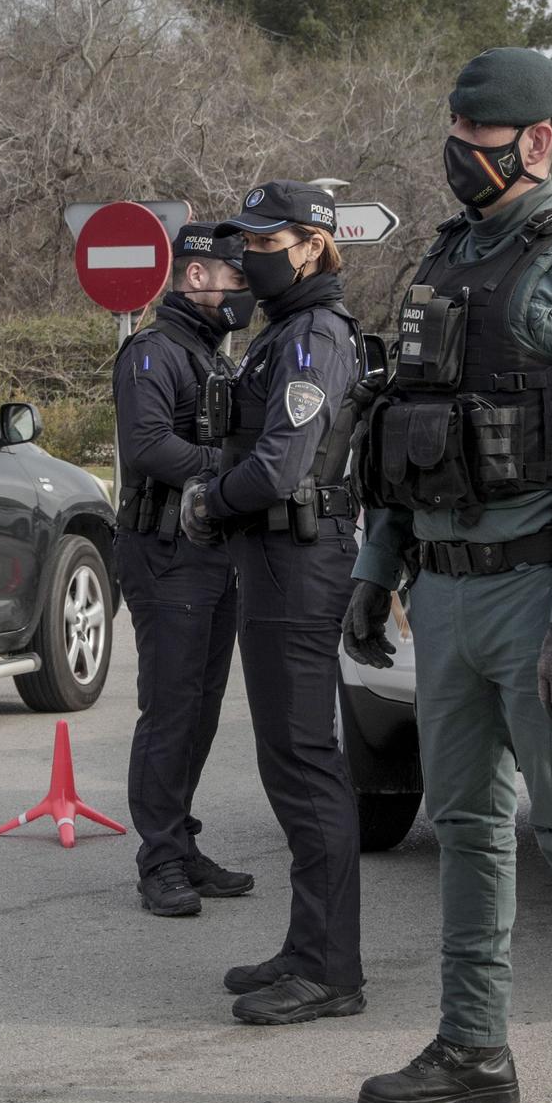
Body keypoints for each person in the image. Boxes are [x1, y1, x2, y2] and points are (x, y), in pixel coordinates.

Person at [346, 49, 552, 1103]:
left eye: (478, 136)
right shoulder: (444, 261)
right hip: (443, 592)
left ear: (536, 141)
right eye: (453, 131)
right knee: (468, 823)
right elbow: (401, 431)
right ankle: (472, 1046)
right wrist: (373, 570)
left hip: (537, 593)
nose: (456, 154)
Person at [179, 180, 368, 1026]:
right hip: (274, 561)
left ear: (309, 246)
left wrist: (208, 500)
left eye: (261, 242)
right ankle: (308, 946)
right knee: (286, 764)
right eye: (243, 242)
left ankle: (331, 970)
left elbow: (282, 467)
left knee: (305, 765)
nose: (244, 256)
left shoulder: (313, 339)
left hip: (299, 563)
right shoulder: (282, 335)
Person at [112, 221, 257, 918]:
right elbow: (145, 446)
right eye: (236, 279)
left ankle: (181, 840)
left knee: (199, 710)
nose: (244, 294)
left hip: (211, 551)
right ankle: (160, 859)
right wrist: (228, 476)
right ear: (197, 277)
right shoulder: (154, 351)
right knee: (171, 708)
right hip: (165, 552)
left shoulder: (211, 356)